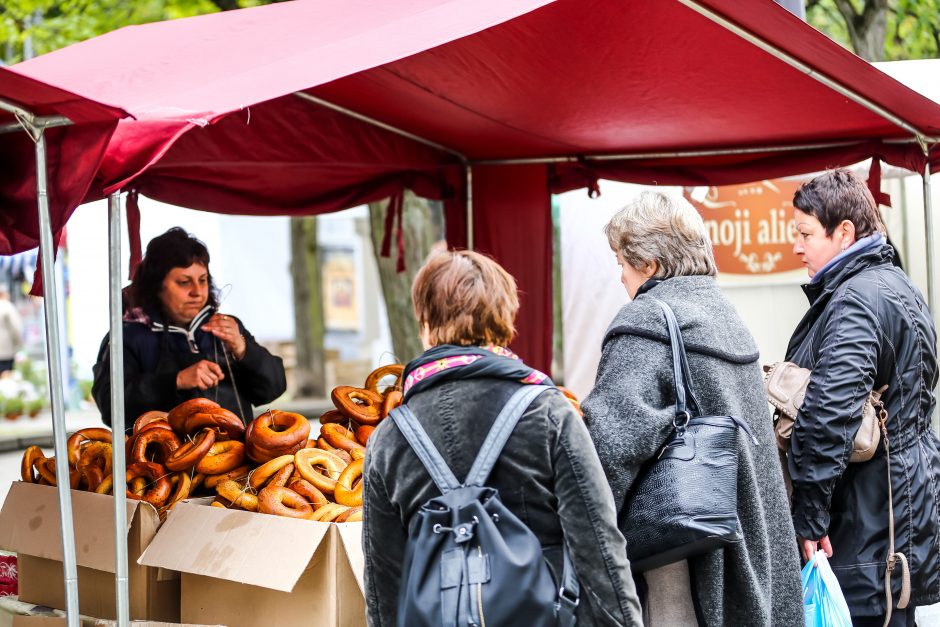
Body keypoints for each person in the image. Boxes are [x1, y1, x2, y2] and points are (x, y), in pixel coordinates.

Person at [363, 250, 643, 626]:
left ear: (425, 324)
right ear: (506, 318)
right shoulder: (547, 411)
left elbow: (384, 587)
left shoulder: (388, 438)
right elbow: (599, 547)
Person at [583, 191, 803, 626]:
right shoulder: (724, 314)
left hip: (684, 571)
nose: (621, 279)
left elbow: (604, 451)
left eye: (622, 264)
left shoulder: (648, 321)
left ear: (650, 265)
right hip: (750, 559)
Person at [785, 169, 940, 626]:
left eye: (805, 233)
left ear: (845, 232)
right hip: (903, 512)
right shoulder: (899, 287)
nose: (797, 246)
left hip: (868, 524)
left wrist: (809, 517)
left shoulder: (856, 299)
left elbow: (830, 412)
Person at [92, 227, 286, 431]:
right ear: (156, 286)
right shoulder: (127, 338)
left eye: (203, 280)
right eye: (184, 282)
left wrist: (243, 349)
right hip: (160, 459)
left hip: (234, 456)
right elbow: (109, 407)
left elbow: (274, 388)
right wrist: (177, 380)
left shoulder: (227, 327)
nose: (197, 291)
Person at [0, 286, 22, 373]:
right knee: (6, 378)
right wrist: (18, 343)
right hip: (5, 350)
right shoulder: (7, 307)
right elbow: (16, 327)